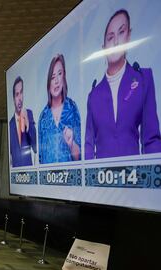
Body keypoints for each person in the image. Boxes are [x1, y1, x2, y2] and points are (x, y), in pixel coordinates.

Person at [85, 9, 161, 159]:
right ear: (103, 48)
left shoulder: (142, 79)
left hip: (134, 178)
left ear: (129, 37)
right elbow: (89, 146)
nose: (116, 42)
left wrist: (154, 176)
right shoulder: (94, 95)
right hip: (101, 179)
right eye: (110, 37)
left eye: (121, 32)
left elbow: (151, 139)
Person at [38, 54, 81, 164]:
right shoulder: (43, 116)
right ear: (49, 82)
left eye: (59, 74)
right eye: (52, 77)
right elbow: (40, 158)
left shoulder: (72, 108)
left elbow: (79, 157)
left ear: (64, 76)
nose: (56, 81)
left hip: (69, 178)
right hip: (47, 179)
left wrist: (71, 144)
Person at [9, 76, 37, 167]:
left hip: (29, 173)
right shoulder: (11, 124)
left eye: (21, 93)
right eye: (17, 94)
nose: (20, 98)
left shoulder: (29, 114)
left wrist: (27, 123)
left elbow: (35, 146)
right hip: (17, 174)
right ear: (13, 98)